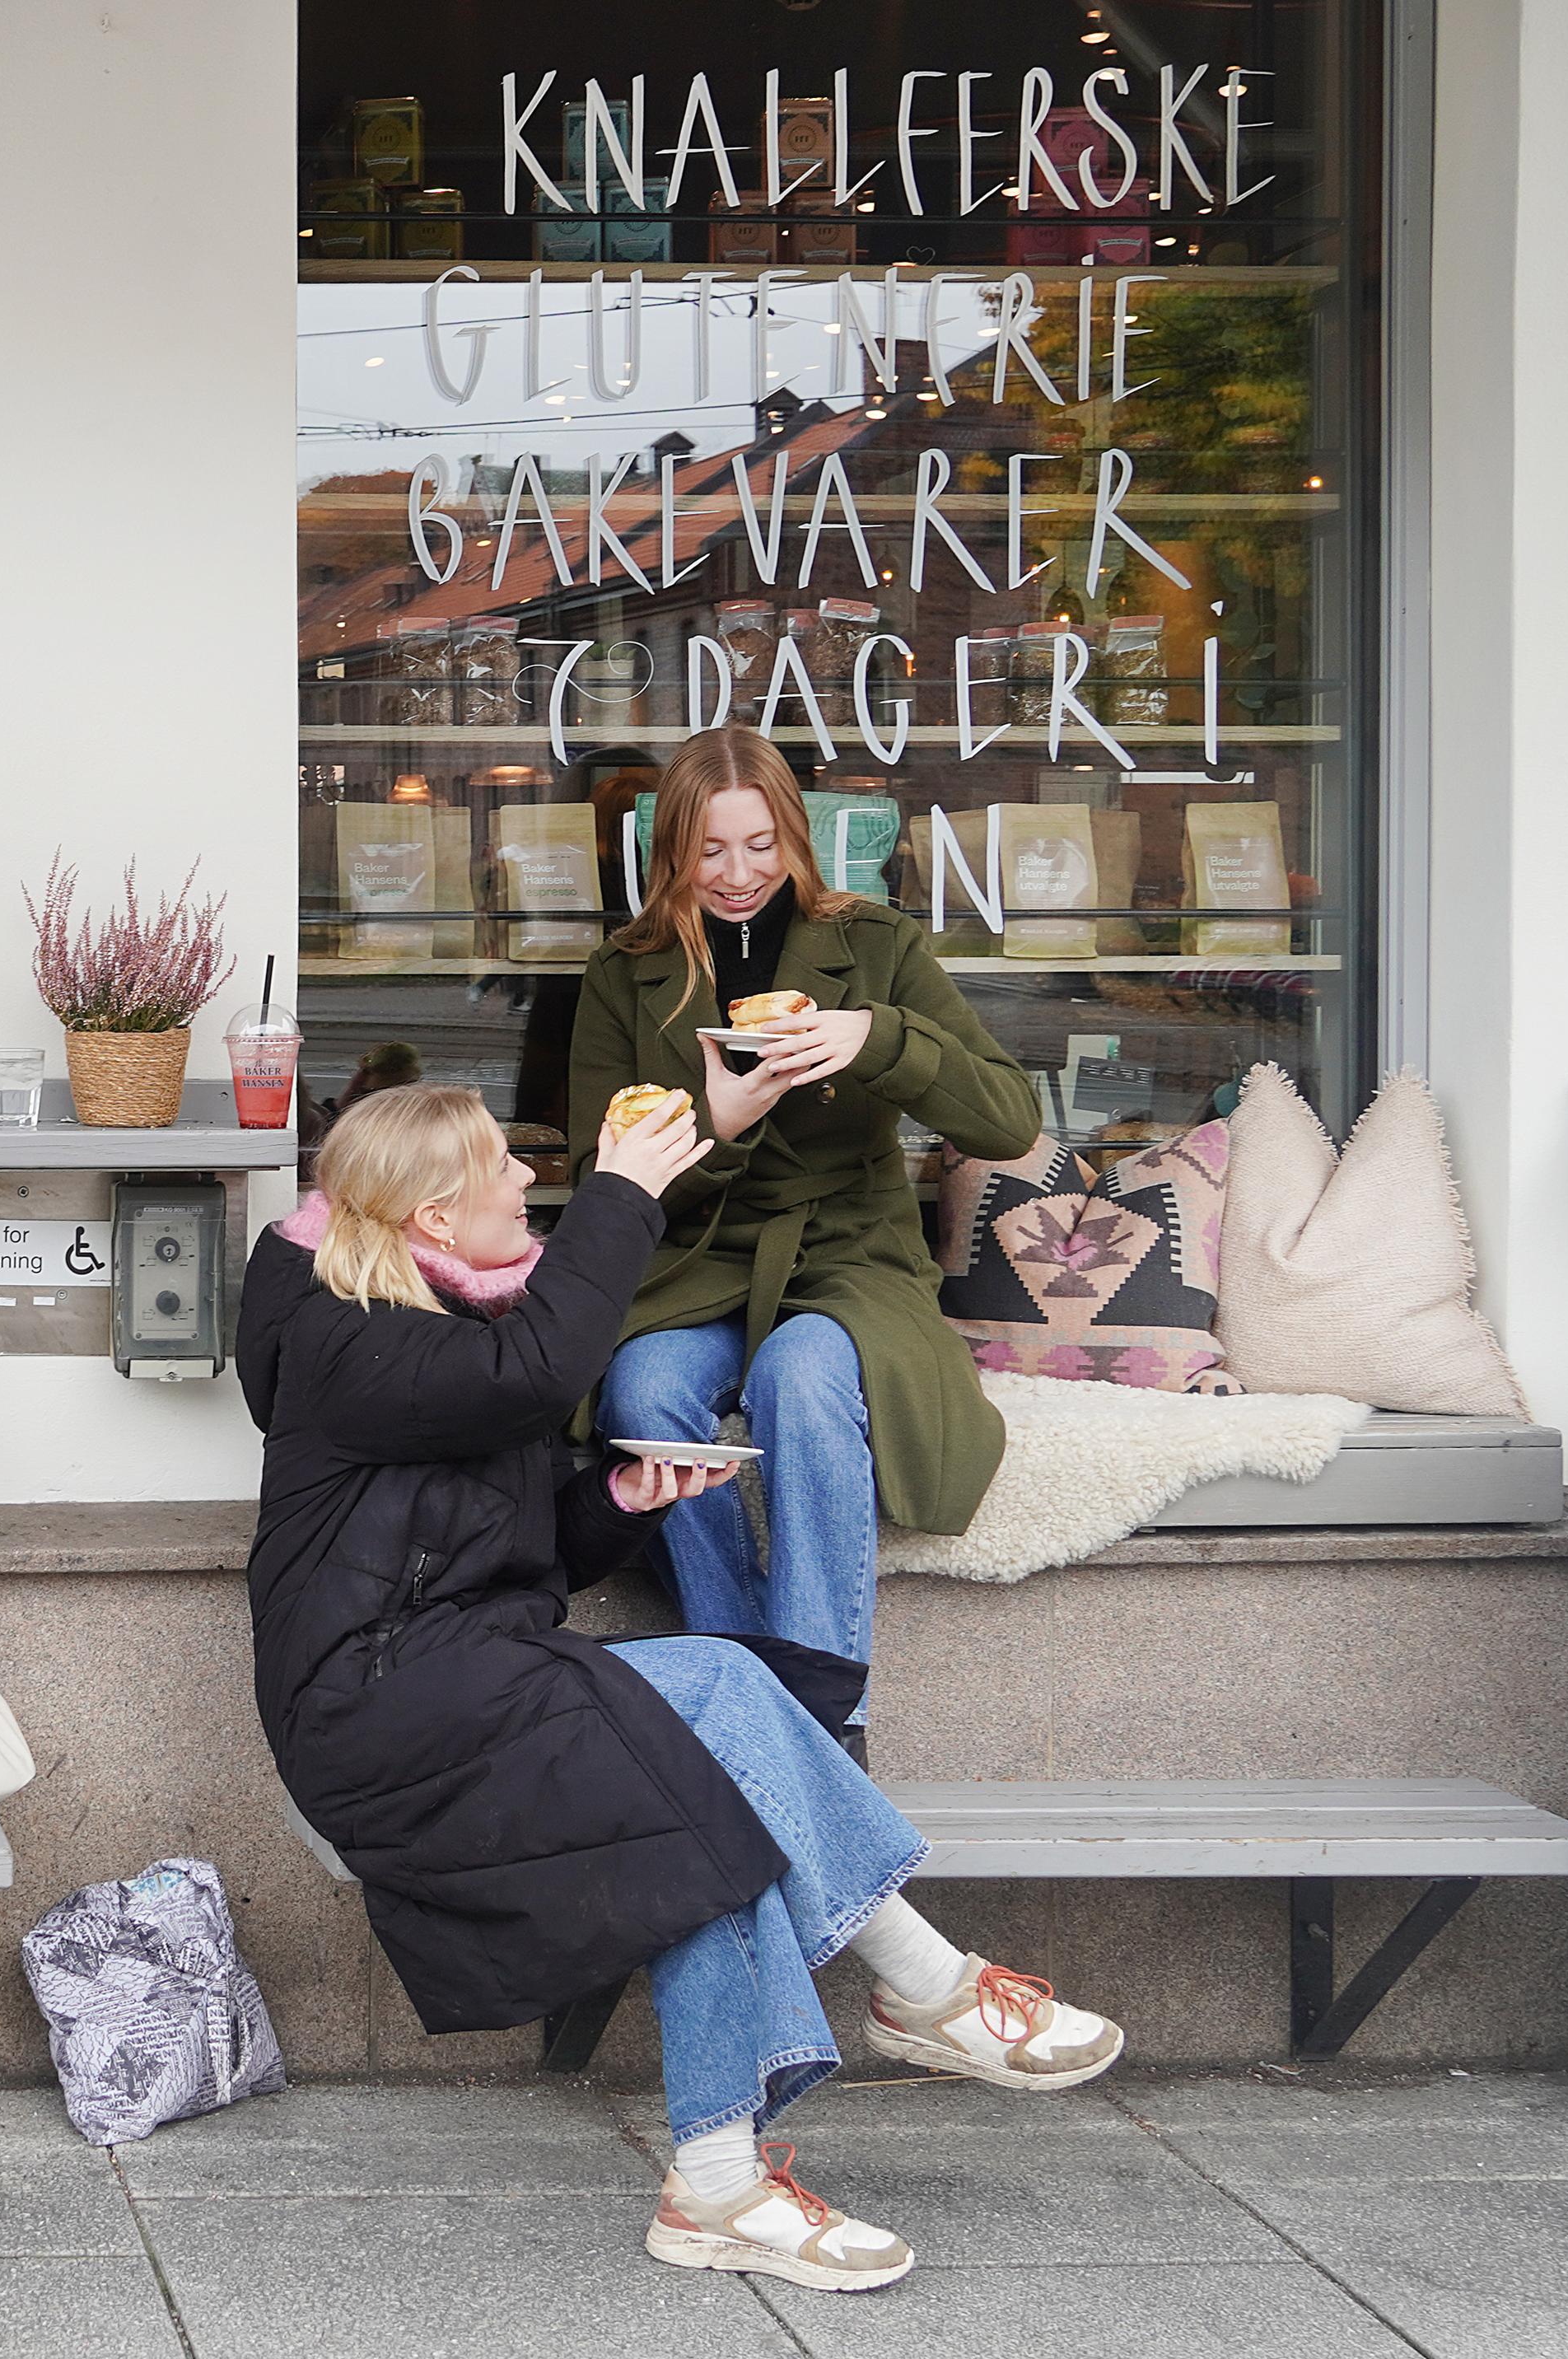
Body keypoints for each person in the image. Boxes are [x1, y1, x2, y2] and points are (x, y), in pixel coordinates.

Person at [240, 1083, 1122, 2292]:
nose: (524, 1182)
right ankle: (927, 1987)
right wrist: (624, 1191)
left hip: (473, 1680)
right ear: (437, 1221)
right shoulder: (345, 1335)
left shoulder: (449, 1311)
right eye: (504, 1166)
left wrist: (613, 1504)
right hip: (374, 1711)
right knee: (706, 1697)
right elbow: (535, 1368)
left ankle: (719, 2179)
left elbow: (504, 1538)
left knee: (696, 1795)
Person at [568, 726, 1043, 1750]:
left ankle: (831, 1718)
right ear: (671, 856)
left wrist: (878, 1038)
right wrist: (719, 1123)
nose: (737, 876)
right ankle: (744, 1687)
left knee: (801, 1376)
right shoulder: (625, 971)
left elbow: (1008, 1119)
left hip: (849, 1257)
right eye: (708, 851)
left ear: (795, 836)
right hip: (699, 1261)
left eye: (759, 844)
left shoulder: (876, 945)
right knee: (642, 1392)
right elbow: (598, 1174)